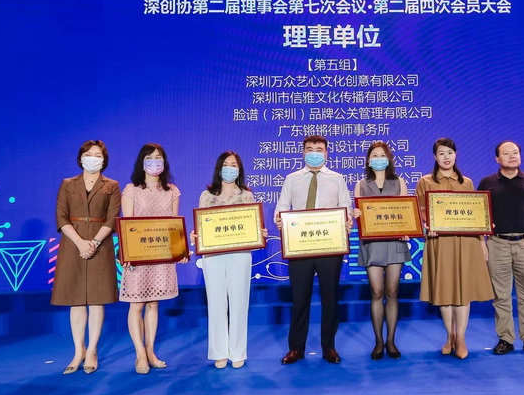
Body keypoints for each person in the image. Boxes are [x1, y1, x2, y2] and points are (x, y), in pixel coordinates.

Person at [275, 135, 352, 364]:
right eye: (310, 149)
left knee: (330, 297)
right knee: (300, 298)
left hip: (330, 246)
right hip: (300, 247)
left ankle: (329, 347)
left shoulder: (337, 179)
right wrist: (280, 219)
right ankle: (296, 348)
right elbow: (281, 207)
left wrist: (347, 222)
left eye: (319, 149)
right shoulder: (292, 179)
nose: (314, 153)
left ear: (326, 153)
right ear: (303, 153)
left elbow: (345, 207)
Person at [416, 138, 494, 360]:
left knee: (463, 292)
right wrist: (426, 226)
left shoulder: (466, 182)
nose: (446, 157)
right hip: (440, 243)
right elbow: (420, 212)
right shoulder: (425, 182)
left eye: (450, 152)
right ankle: (449, 336)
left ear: (456, 155)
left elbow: (475, 214)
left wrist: (482, 242)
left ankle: (461, 338)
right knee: (445, 292)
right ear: (435, 157)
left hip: (465, 242)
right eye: (441, 153)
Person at [52, 140, 121, 375]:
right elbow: (61, 217)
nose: (93, 158)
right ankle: (78, 350)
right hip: (73, 244)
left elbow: (112, 218)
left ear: (104, 160)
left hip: (100, 244)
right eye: (89, 154)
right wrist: (81, 242)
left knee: (97, 299)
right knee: (77, 300)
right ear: (81, 158)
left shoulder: (112, 185)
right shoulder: (67, 184)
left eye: (98, 155)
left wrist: (94, 242)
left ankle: (92, 350)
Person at [477, 140, 524, 356]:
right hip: (497, 243)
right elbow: (478, 215)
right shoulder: (487, 182)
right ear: (497, 159)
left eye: (515, 152)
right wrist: (482, 242)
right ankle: (505, 339)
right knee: (501, 296)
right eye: (506, 153)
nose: (512, 156)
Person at [120, 143, 187, 374]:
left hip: (161, 256)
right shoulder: (131, 190)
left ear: (164, 163)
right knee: (137, 304)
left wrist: (180, 251)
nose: (154, 162)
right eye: (149, 158)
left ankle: (150, 351)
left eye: (158, 158)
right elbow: (127, 225)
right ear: (142, 162)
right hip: (138, 257)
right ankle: (139, 354)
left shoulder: (172, 191)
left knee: (154, 303)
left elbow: (174, 224)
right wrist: (127, 253)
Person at [196, 151, 264, 370]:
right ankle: (219, 352)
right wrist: (196, 234)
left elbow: (252, 225)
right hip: (212, 256)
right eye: (226, 164)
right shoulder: (207, 195)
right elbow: (201, 225)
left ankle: (237, 351)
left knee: (239, 302)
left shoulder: (247, 195)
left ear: (239, 169)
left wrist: (258, 232)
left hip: (240, 255)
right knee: (216, 303)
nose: (230, 168)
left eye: (234, 165)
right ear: (219, 168)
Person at [352, 141, 410, 360]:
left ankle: (391, 341)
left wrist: (407, 228)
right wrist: (356, 215)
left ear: (389, 159)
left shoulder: (399, 182)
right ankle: (378, 341)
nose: (378, 159)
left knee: (392, 291)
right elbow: (357, 214)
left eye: (382, 155)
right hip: (372, 243)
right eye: (374, 155)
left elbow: (406, 212)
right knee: (376, 291)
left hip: (395, 242)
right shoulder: (361, 184)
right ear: (368, 160)